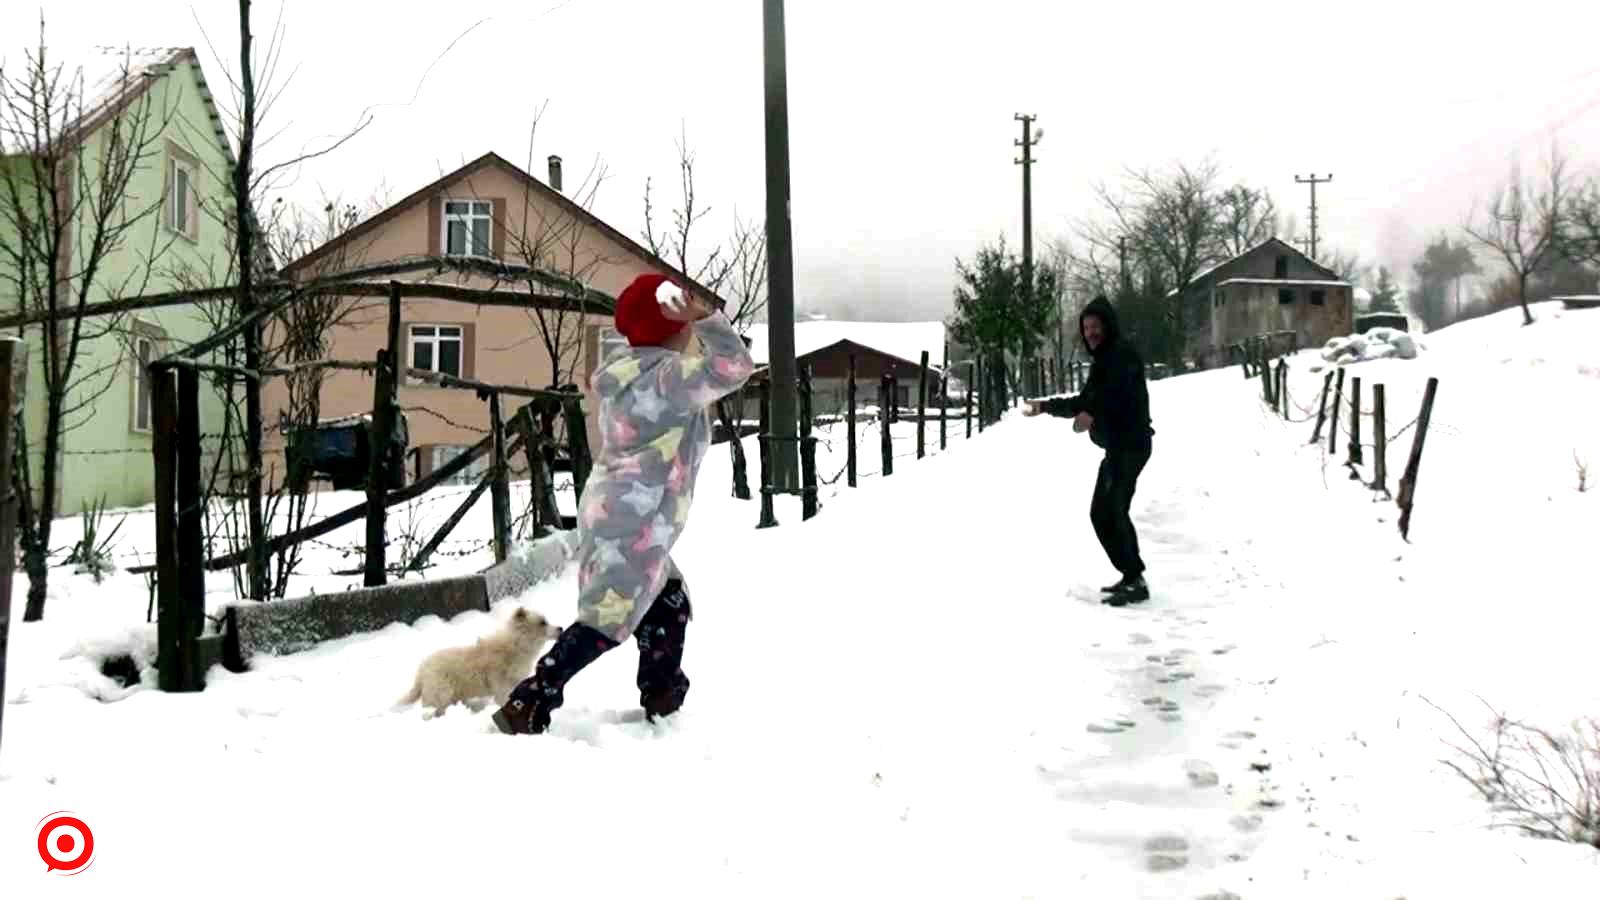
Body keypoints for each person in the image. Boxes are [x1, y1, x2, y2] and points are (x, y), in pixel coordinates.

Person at [492, 272, 755, 735]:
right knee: (605, 619)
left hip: (617, 508)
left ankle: (662, 688)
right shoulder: (667, 378)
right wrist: (708, 319)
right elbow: (734, 366)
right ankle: (531, 699)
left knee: (667, 598)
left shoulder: (627, 372)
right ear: (670, 324)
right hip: (636, 516)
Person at [1023, 295, 1155, 606]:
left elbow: (1118, 395)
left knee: (1113, 511)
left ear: (1107, 326)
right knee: (1102, 513)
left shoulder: (1122, 356)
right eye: (1086, 328)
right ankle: (1131, 575)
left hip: (1130, 446)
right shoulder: (1104, 361)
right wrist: (1047, 407)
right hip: (1117, 448)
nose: (1091, 332)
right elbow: (1086, 400)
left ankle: (1135, 579)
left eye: (1095, 326)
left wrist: (1095, 415)